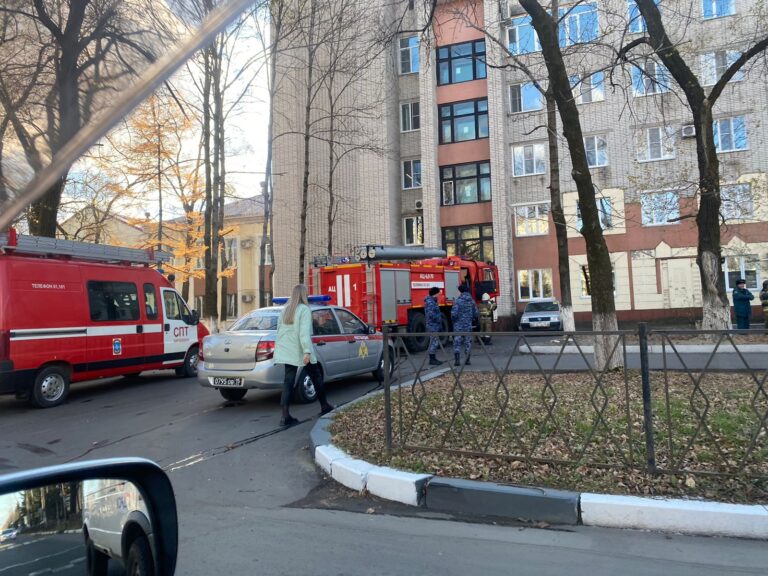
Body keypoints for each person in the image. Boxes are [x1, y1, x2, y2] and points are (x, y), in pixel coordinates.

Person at [274, 284, 333, 426]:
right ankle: (324, 406)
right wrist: (307, 351)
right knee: (316, 376)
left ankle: (285, 416)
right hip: (300, 350)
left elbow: (279, 330)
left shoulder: (285, 310)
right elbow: (304, 333)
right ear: (304, 295)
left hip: (286, 349)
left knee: (288, 382)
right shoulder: (304, 310)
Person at [451, 284, 479, 366]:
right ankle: (467, 360)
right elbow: (476, 313)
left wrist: (454, 321)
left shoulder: (458, 301)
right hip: (468, 324)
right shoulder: (472, 301)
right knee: (468, 341)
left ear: (460, 291)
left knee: (457, 341)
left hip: (458, 325)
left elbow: (454, 314)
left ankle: (457, 361)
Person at [425, 286, 444, 366]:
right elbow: (431, 314)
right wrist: (438, 317)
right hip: (432, 325)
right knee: (433, 342)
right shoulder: (430, 302)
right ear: (435, 293)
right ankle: (432, 359)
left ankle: (433, 358)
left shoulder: (432, 300)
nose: (439, 294)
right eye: (439, 292)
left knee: (434, 341)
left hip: (434, 324)